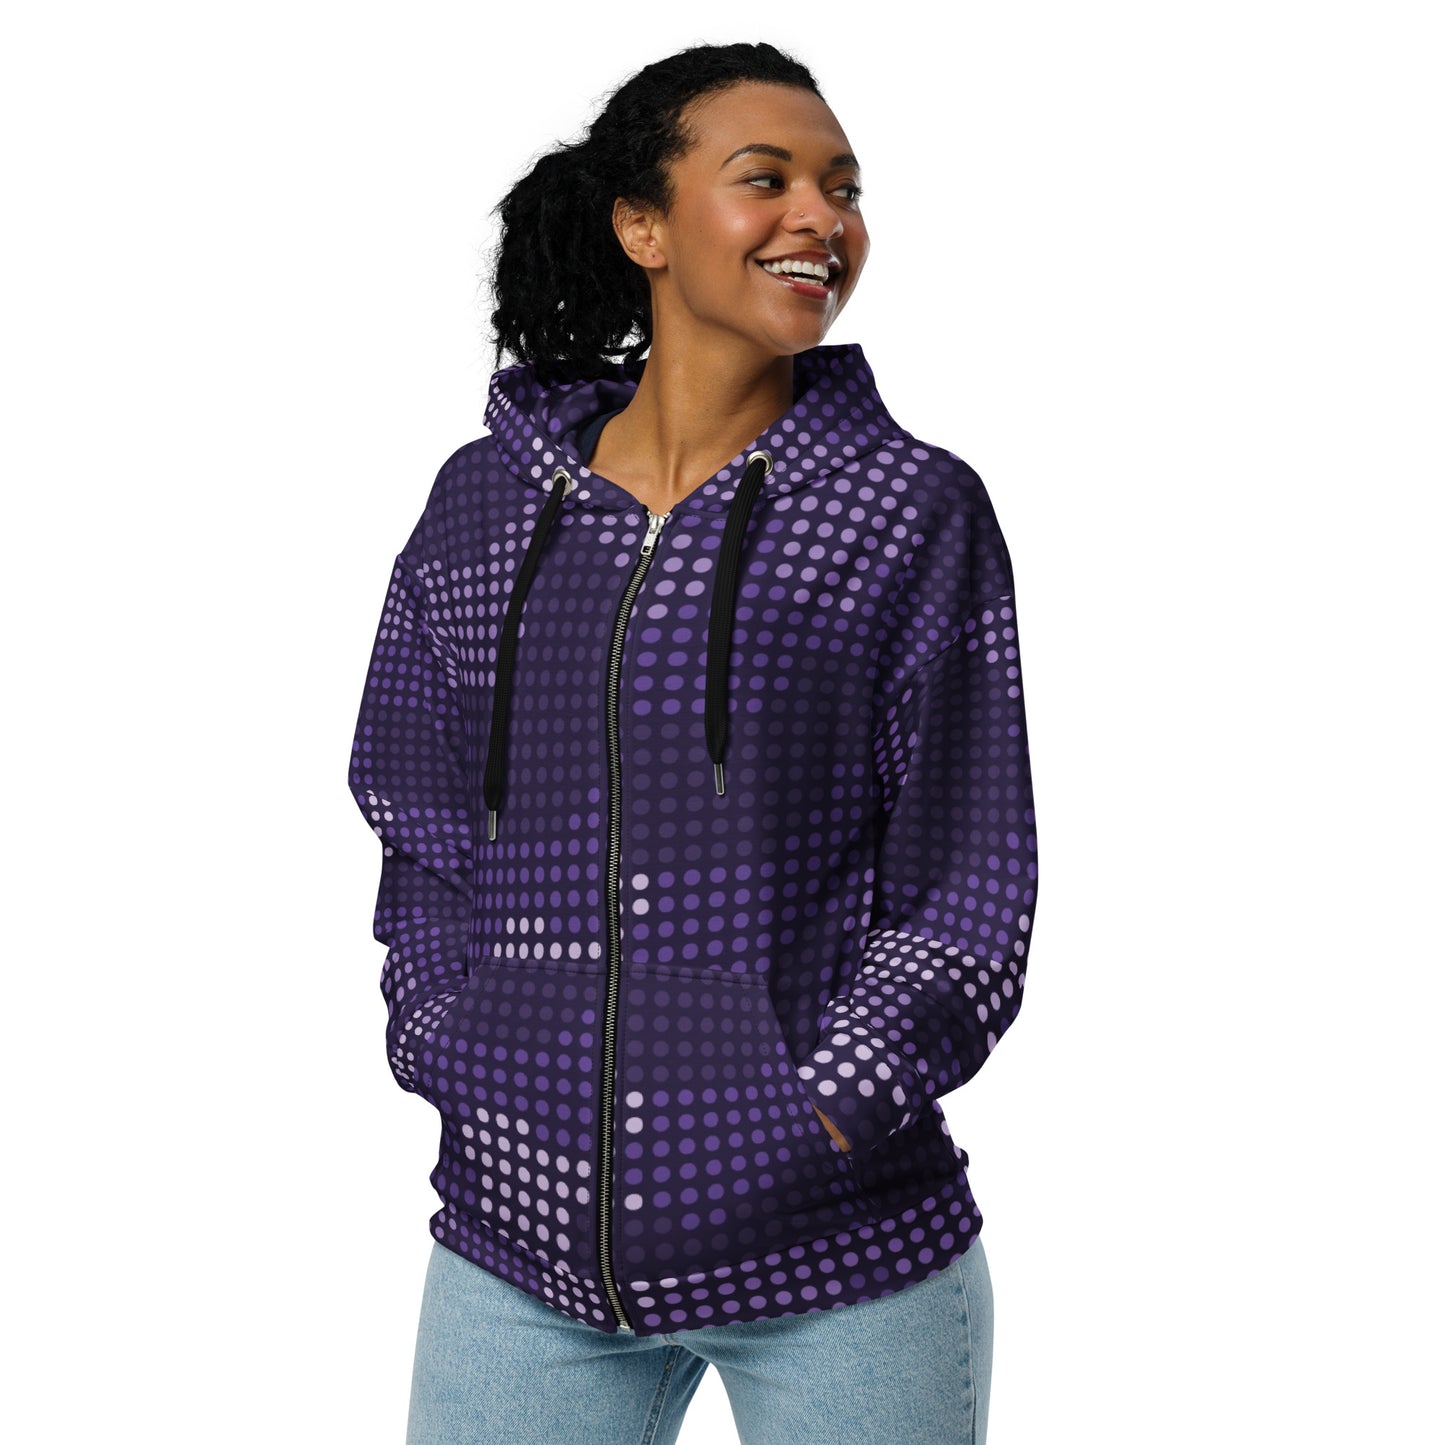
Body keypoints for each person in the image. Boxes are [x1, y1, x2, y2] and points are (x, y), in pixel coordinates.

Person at [347, 39, 1038, 1445]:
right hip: (518, 1251)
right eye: (765, 179)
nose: (820, 219)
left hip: (839, 1259)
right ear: (642, 225)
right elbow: (418, 815)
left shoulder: (904, 510)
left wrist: (826, 1104)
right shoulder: (485, 507)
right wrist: (444, 1037)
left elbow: (968, 876)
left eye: (843, 188)